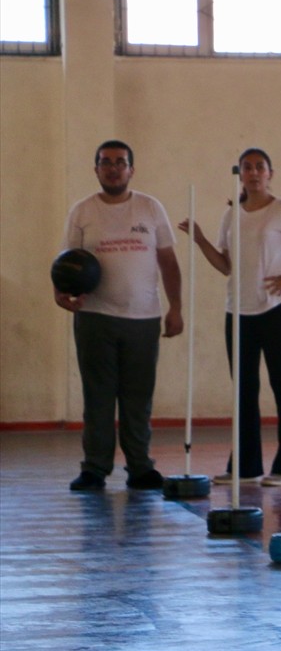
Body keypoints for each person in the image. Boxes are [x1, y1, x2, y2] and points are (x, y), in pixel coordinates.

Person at [178, 148, 281, 486]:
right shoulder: (232, 214)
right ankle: (245, 467)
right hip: (238, 311)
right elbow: (226, 266)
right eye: (247, 167)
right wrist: (201, 240)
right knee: (244, 391)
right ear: (240, 174)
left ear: (270, 173)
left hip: (277, 311)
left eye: (259, 167)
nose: (253, 173)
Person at [55, 140, 184, 491]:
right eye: (106, 162)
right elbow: (66, 262)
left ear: (131, 169)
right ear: (96, 168)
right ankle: (94, 468)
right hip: (96, 317)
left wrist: (176, 307)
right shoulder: (82, 211)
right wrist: (59, 294)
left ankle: (140, 468)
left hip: (143, 318)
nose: (113, 168)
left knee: (137, 397)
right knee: (98, 396)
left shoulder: (150, 208)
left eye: (120, 162)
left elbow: (168, 262)